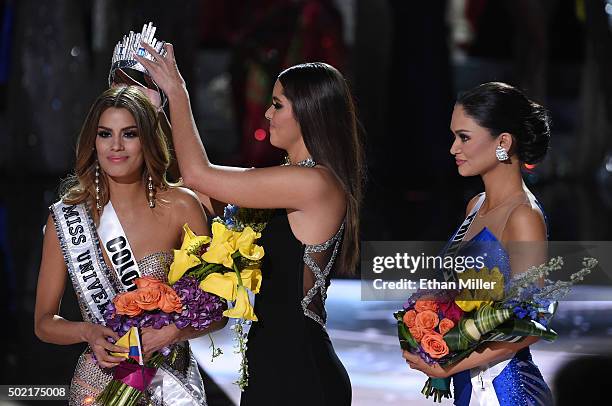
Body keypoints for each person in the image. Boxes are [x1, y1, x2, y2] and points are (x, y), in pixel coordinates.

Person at [135, 43, 362, 405]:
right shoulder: (287, 182)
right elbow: (198, 189)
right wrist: (161, 113)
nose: (267, 115)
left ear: (309, 112)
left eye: (278, 105)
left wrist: (177, 91)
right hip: (270, 364)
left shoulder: (315, 183)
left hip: (300, 372)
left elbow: (199, 175)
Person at [34, 86, 226, 405]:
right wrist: (88, 332)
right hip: (99, 386)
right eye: (106, 134)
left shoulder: (182, 206)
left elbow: (217, 309)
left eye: (130, 134)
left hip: (172, 385)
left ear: (147, 140)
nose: (117, 146)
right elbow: (43, 323)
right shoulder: (67, 218)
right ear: (93, 143)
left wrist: (173, 331)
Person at [402, 82, 554, 405]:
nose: (453, 149)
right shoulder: (475, 206)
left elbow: (533, 322)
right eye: (454, 136)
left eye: (464, 137)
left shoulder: (523, 217)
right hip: (468, 389)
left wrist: (450, 362)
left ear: (503, 142)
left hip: (506, 392)